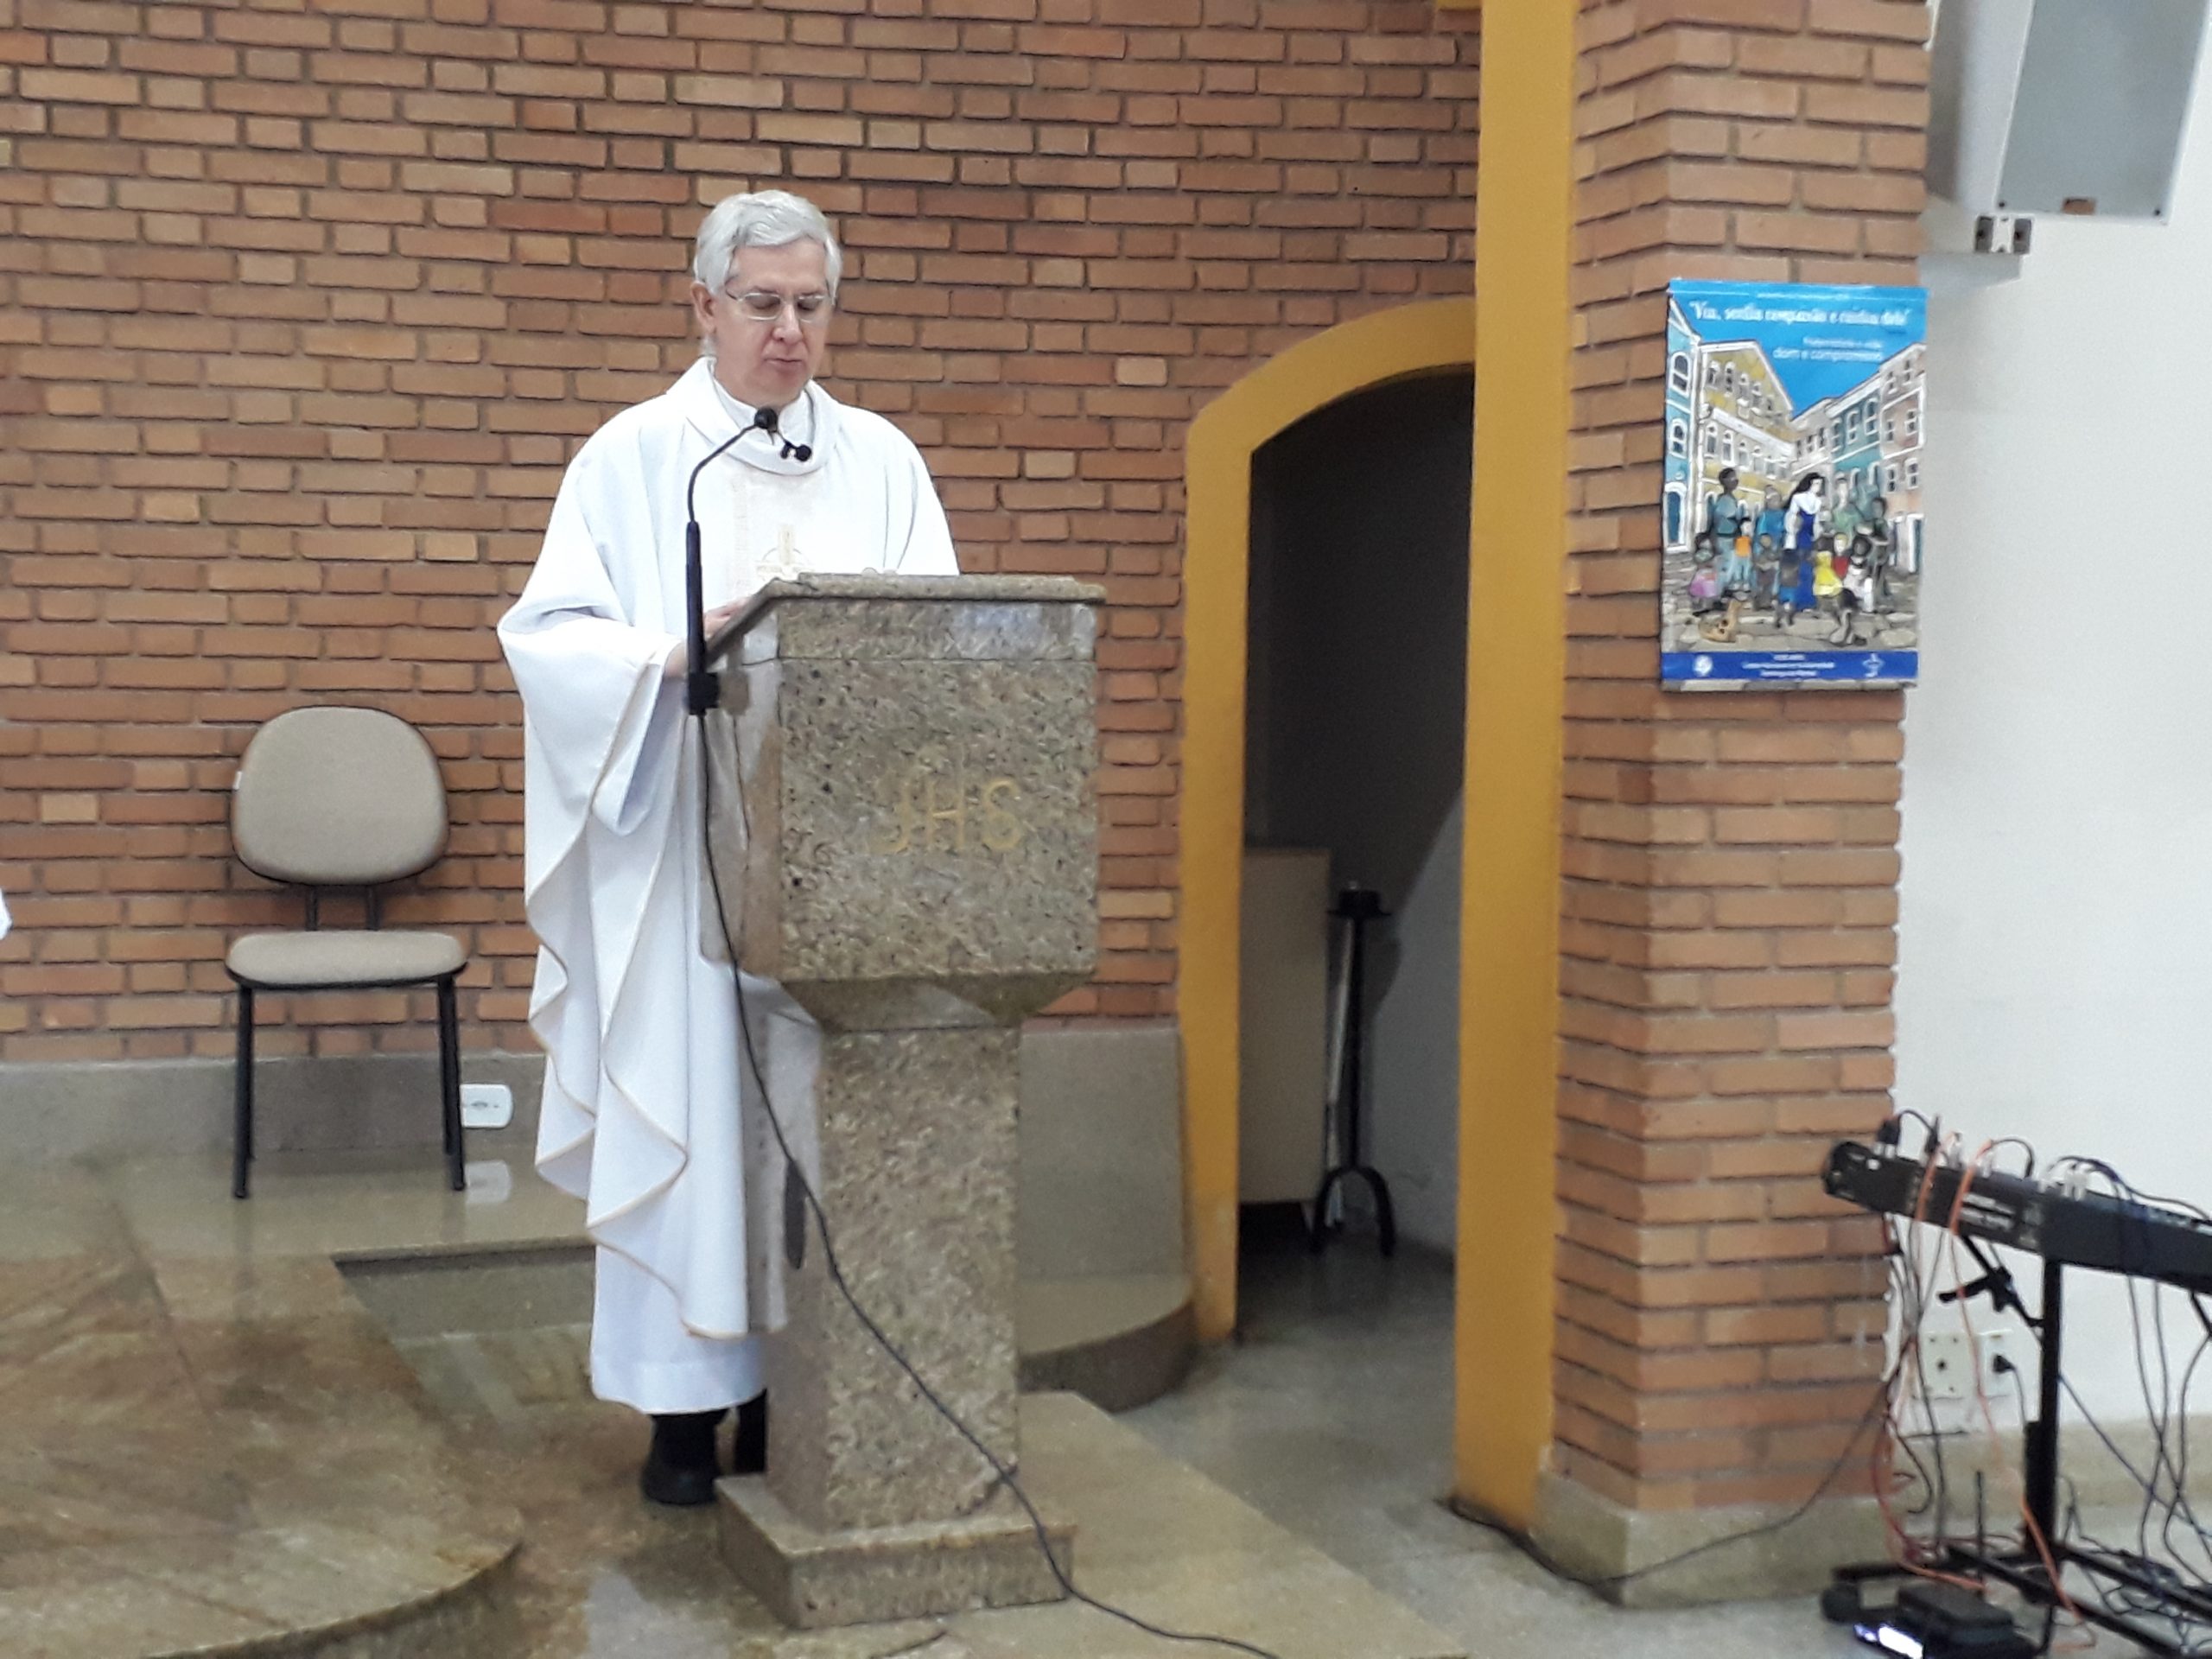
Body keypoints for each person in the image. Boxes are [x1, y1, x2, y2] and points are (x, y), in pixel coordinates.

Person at [498, 191, 960, 1507]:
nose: (790, 330)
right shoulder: (639, 457)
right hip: (682, 855)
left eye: (812, 304)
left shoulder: (882, 461)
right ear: (705, 307)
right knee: (694, 1122)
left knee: (810, 1133)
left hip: (836, 868)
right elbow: (550, 637)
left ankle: (792, 1402)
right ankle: (682, 1415)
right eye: (762, 304)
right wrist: (670, 649)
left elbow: (940, 636)